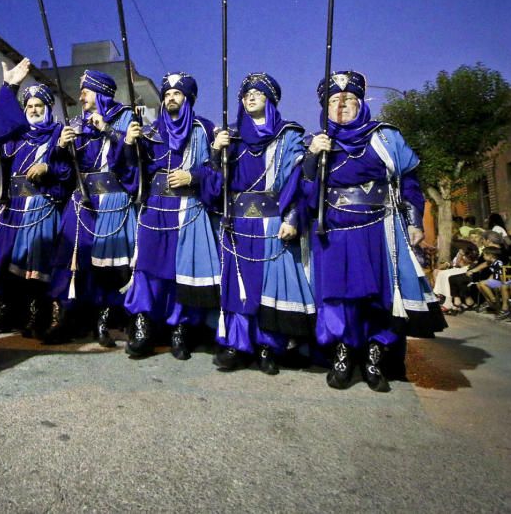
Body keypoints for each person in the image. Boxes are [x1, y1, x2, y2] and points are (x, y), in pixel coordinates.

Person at [302, 71, 445, 392]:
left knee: (379, 297)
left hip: (379, 230)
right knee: (339, 298)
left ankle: (374, 355)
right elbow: (304, 192)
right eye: (334, 102)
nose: (341, 107)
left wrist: (414, 222)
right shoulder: (315, 142)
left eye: (348, 100)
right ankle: (341, 354)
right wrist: (313, 157)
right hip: (333, 232)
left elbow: (408, 183)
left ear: (361, 104)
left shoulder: (385, 138)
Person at [198, 73, 314, 373]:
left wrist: (292, 217)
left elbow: (298, 181)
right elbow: (213, 188)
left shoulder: (288, 136)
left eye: (258, 93)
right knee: (237, 286)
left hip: (272, 221)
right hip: (237, 223)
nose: (250, 97)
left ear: (270, 99)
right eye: (246, 93)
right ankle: (237, 345)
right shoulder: (231, 137)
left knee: (268, 285)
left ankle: (268, 347)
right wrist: (215, 153)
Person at [121, 72, 219, 360]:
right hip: (155, 210)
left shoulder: (205, 131)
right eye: (166, 95)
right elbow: (132, 173)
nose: (170, 99)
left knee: (182, 272)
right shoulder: (150, 131)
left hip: (188, 209)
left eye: (176, 94)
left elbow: (219, 174)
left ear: (188, 99)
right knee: (147, 270)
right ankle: (143, 326)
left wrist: (194, 175)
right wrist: (129, 145)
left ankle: (181, 328)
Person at [43, 69, 140, 345]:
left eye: (86, 90)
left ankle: (104, 322)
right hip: (81, 200)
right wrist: (61, 147)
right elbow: (62, 169)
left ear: (100, 93)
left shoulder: (125, 118)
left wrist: (107, 131)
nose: (80, 95)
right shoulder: (74, 122)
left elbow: (135, 162)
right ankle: (65, 318)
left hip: (113, 201)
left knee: (107, 266)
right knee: (70, 261)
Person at [0, 79, 67, 337]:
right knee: (3, 261)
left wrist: (50, 167)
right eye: (29, 106)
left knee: (36, 267)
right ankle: (1, 315)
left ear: (48, 107)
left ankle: (34, 316)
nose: (34, 110)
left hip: (41, 204)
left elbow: (69, 172)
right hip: (13, 206)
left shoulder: (58, 134)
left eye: (39, 105)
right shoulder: (15, 134)